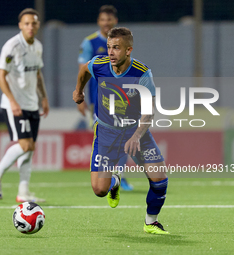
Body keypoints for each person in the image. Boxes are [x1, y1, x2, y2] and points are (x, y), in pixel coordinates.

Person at [73, 27, 169, 234]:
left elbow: (149, 111)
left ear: (128, 50)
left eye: (116, 48)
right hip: (106, 132)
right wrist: (78, 91)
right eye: (109, 47)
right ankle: (115, 180)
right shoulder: (99, 64)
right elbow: (84, 71)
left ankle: (151, 222)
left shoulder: (142, 73)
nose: (110, 52)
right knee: (99, 190)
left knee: (159, 179)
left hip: (135, 131)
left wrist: (136, 136)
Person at [0, 8, 49, 203]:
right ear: (20, 25)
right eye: (27, 23)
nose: (31, 26)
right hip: (15, 105)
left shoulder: (38, 46)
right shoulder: (11, 46)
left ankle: (23, 191)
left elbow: (38, 74)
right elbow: (0, 76)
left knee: (30, 148)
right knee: (24, 145)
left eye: (34, 23)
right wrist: (12, 101)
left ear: (38, 26)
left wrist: (44, 98)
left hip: (32, 104)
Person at [77, 5, 133, 191]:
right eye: (103, 20)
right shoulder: (89, 43)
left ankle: (119, 176)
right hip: (99, 98)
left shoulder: (122, 41)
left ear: (115, 21)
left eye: (109, 20)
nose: (106, 23)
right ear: (98, 22)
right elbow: (82, 69)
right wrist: (81, 95)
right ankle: (108, 176)